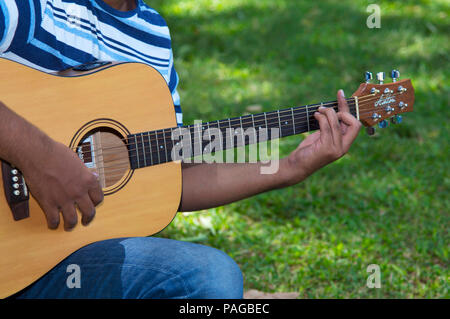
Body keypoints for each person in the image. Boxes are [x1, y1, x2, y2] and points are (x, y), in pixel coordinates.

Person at [0, 0, 361, 299]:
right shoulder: (34, 8)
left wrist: (290, 167)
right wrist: (37, 154)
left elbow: (171, 174)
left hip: (56, 265)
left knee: (210, 278)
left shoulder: (152, 34)